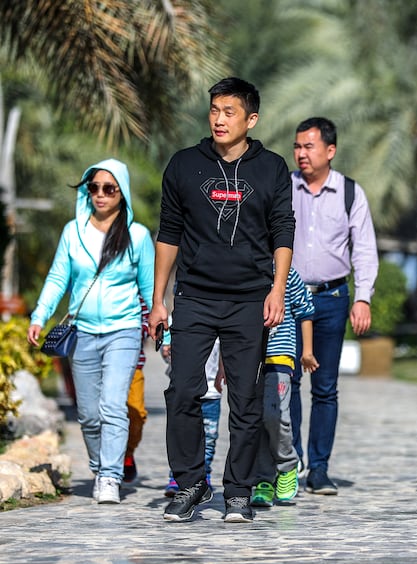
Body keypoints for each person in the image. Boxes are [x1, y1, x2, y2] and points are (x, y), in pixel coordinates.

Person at [149, 77, 295, 523]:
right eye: (214, 109)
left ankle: (238, 491)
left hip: (249, 300)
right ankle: (191, 482)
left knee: (246, 401)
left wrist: (277, 290)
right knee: (181, 392)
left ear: (250, 119)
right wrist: (160, 299)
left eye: (229, 111)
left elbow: (282, 232)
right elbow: (169, 233)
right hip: (193, 298)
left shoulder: (271, 168)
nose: (219, 118)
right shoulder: (183, 165)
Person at [27, 158, 155, 504]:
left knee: (113, 405)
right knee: (87, 413)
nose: (100, 195)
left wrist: (164, 331)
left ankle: (111, 477)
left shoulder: (138, 236)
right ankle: (100, 467)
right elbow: (57, 278)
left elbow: (149, 287)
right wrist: (40, 315)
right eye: (94, 188)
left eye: (109, 189)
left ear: (122, 193)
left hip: (123, 331)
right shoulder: (74, 231)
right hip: (83, 332)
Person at [289, 117, 379, 495]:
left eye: (309, 147)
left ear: (330, 150)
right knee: (285, 382)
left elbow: (365, 249)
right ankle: (287, 464)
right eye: (297, 146)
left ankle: (319, 469)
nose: (301, 154)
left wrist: (362, 297)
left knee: (324, 387)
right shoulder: (284, 188)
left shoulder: (350, 193)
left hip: (332, 298)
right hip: (288, 297)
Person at [251, 267, 318, 507]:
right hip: (249, 356)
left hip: (280, 355)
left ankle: (288, 463)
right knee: (255, 419)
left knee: (275, 415)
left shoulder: (287, 274)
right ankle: (263, 480)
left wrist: (307, 351)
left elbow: (305, 309)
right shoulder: (245, 267)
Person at [161, 337, 222, 496]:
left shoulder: (222, 320)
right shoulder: (179, 319)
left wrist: (222, 372)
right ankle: (177, 476)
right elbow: (166, 348)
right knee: (182, 434)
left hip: (211, 393)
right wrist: (166, 352)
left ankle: (204, 474)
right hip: (186, 393)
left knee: (209, 437)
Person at [123, 296, 150, 484]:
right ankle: (106, 461)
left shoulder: (138, 291)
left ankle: (127, 453)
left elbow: (150, 319)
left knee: (137, 414)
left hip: (134, 366)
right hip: (99, 365)